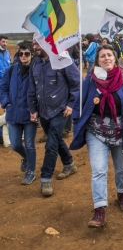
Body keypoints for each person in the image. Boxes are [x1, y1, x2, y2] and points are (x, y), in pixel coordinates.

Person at [70, 44, 123, 228]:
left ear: (115, 59)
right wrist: (75, 120)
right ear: (97, 60)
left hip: (122, 131)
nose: (106, 58)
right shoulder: (90, 81)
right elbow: (78, 103)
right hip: (96, 132)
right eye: (102, 56)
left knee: (121, 168)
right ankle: (99, 209)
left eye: (109, 55)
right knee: (98, 170)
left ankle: (122, 194)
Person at [27, 39, 81, 196]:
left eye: (37, 44)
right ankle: (69, 164)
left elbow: (77, 83)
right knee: (56, 139)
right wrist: (33, 109)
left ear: (47, 44)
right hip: (43, 111)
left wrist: (71, 104)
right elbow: (32, 87)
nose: (34, 47)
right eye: (33, 44)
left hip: (60, 110)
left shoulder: (62, 60)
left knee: (51, 144)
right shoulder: (35, 63)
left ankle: (45, 179)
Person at [0, 42, 38, 184]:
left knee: (29, 144)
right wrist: (6, 102)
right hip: (13, 113)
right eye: (21, 53)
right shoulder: (10, 70)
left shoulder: (36, 71)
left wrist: (37, 110)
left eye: (27, 53)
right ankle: (26, 158)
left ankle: (30, 171)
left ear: (32, 55)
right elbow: (2, 88)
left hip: (30, 114)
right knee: (15, 144)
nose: (23, 56)